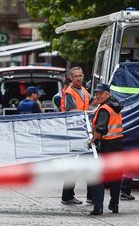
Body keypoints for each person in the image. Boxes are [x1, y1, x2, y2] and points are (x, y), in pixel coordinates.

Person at [88, 83, 124, 215]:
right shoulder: (115, 105)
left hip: (107, 146)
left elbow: (101, 129)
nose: (98, 95)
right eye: (96, 93)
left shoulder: (104, 108)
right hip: (118, 144)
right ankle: (114, 204)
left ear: (108, 94)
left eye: (101, 93)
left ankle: (98, 207)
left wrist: (90, 141)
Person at [60, 67, 90, 205]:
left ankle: (91, 196)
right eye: (76, 76)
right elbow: (72, 111)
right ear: (71, 78)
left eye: (80, 75)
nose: (78, 78)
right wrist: (90, 112)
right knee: (72, 166)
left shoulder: (84, 90)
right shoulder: (69, 92)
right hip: (73, 133)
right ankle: (67, 196)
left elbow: (87, 106)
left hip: (83, 131)